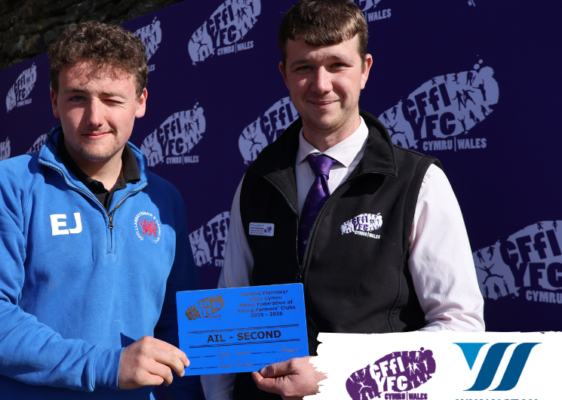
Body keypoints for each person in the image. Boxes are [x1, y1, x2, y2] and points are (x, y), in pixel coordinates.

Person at [201, 1, 484, 399]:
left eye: (337, 65)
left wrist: (333, 373)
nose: (320, 84)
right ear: (284, 74)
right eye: (304, 67)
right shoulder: (257, 182)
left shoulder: (419, 183)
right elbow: (230, 314)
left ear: (365, 69)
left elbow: (461, 328)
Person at [0, 21, 203, 400]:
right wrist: (106, 366)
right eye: (77, 98)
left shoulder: (164, 200)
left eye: (112, 99)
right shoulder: (4, 186)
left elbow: (178, 325)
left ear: (141, 102)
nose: (94, 117)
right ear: (54, 101)